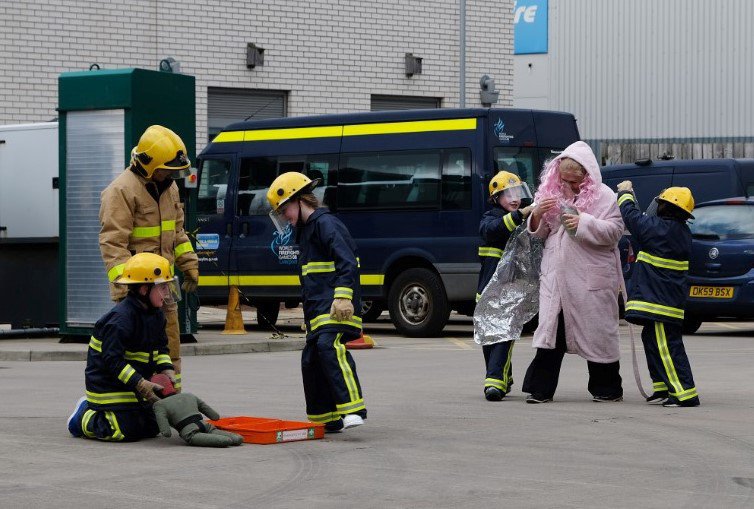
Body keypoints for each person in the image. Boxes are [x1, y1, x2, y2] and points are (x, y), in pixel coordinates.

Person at [522, 141, 625, 403]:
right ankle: (540, 390)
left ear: (587, 174)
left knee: (597, 334)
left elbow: (614, 232)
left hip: (590, 277)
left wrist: (585, 222)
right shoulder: (551, 192)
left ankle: (607, 388)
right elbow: (540, 234)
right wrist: (536, 215)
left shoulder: (605, 196)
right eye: (565, 179)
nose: (570, 185)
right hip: (555, 277)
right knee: (550, 332)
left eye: (575, 181)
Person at [99, 125, 199, 390]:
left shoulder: (170, 188)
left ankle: (171, 397)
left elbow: (177, 233)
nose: (171, 174)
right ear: (149, 164)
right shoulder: (121, 191)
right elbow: (113, 243)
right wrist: (129, 289)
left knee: (170, 346)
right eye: (166, 169)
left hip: (163, 286)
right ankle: (139, 399)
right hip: (136, 292)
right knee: (138, 353)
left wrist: (189, 264)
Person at [266, 172, 367, 432]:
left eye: (285, 209)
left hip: (337, 305)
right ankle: (327, 418)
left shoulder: (326, 224)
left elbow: (348, 263)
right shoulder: (305, 230)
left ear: (300, 200)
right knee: (311, 358)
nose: (285, 217)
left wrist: (344, 296)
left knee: (328, 345)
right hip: (319, 310)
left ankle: (353, 409)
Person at [66, 253, 181, 441]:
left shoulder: (157, 315)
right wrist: (140, 383)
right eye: (162, 287)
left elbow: (161, 349)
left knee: (153, 427)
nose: (167, 292)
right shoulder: (120, 321)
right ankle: (83, 416)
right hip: (108, 388)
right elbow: (112, 361)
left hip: (133, 387)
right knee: (124, 431)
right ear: (144, 289)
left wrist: (167, 370)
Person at [616, 182, 700, 407]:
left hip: (660, 303)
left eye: (660, 203)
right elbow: (644, 222)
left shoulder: (658, 229)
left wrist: (625, 193)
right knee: (651, 339)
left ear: (666, 207)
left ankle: (684, 393)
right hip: (663, 300)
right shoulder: (676, 230)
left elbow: (631, 216)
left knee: (666, 345)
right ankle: (663, 387)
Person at [476, 171, 533, 401]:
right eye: (508, 194)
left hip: (509, 292)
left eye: (517, 193)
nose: (514, 198)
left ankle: (494, 383)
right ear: (496, 198)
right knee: (488, 338)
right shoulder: (490, 218)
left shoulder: (523, 221)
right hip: (488, 291)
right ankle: (502, 377)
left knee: (503, 335)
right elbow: (494, 230)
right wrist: (519, 215)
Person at [150, 374, 244, 447]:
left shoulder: (159, 405)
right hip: (205, 425)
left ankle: (227, 441)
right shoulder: (189, 395)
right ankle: (237, 438)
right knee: (236, 438)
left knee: (224, 441)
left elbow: (166, 433)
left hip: (190, 432)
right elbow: (215, 416)